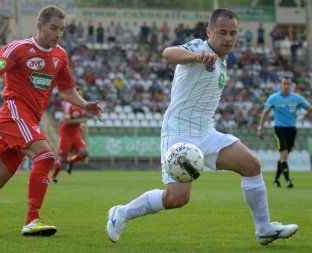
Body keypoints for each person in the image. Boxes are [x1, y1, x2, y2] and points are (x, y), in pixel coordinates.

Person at [106, 8, 298, 246]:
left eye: (233, 33)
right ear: (209, 31)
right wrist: (196, 57)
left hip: (206, 132)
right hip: (178, 132)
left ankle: (264, 229)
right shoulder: (200, 47)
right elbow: (168, 53)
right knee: (177, 198)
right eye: (222, 32)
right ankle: (121, 213)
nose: (228, 38)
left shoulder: (223, 62)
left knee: (252, 165)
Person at [0, 5, 103, 236]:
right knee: (46, 156)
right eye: (53, 28)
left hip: (29, 122)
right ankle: (32, 220)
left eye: (62, 30)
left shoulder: (60, 55)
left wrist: (85, 104)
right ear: (39, 26)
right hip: (14, 114)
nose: (58, 34)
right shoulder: (19, 48)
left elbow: (66, 90)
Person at [257, 77, 312, 188]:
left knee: (283, 157)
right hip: (279, 129)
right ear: (281, 84)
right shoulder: (273, 98)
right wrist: (260, 129)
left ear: (291, 85)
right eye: (284, 83)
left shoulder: (296, 98)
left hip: (292, 130)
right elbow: (264, 113)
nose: (286, 86)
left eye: (288, 84)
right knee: (284, 156)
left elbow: (309, 108)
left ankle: (276, 179)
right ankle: (288, 181)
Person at [51, 87, 89, 183]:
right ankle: (53, 178)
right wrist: (81, 120)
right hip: (66, 135)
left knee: (84, 153)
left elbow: (80, 118)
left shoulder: (82, 106)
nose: (81, 96)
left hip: (75, 135)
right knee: (62, 158)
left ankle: (70, 162)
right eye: (79, 94)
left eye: (82, 94)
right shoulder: (68, 106)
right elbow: (67, 122)